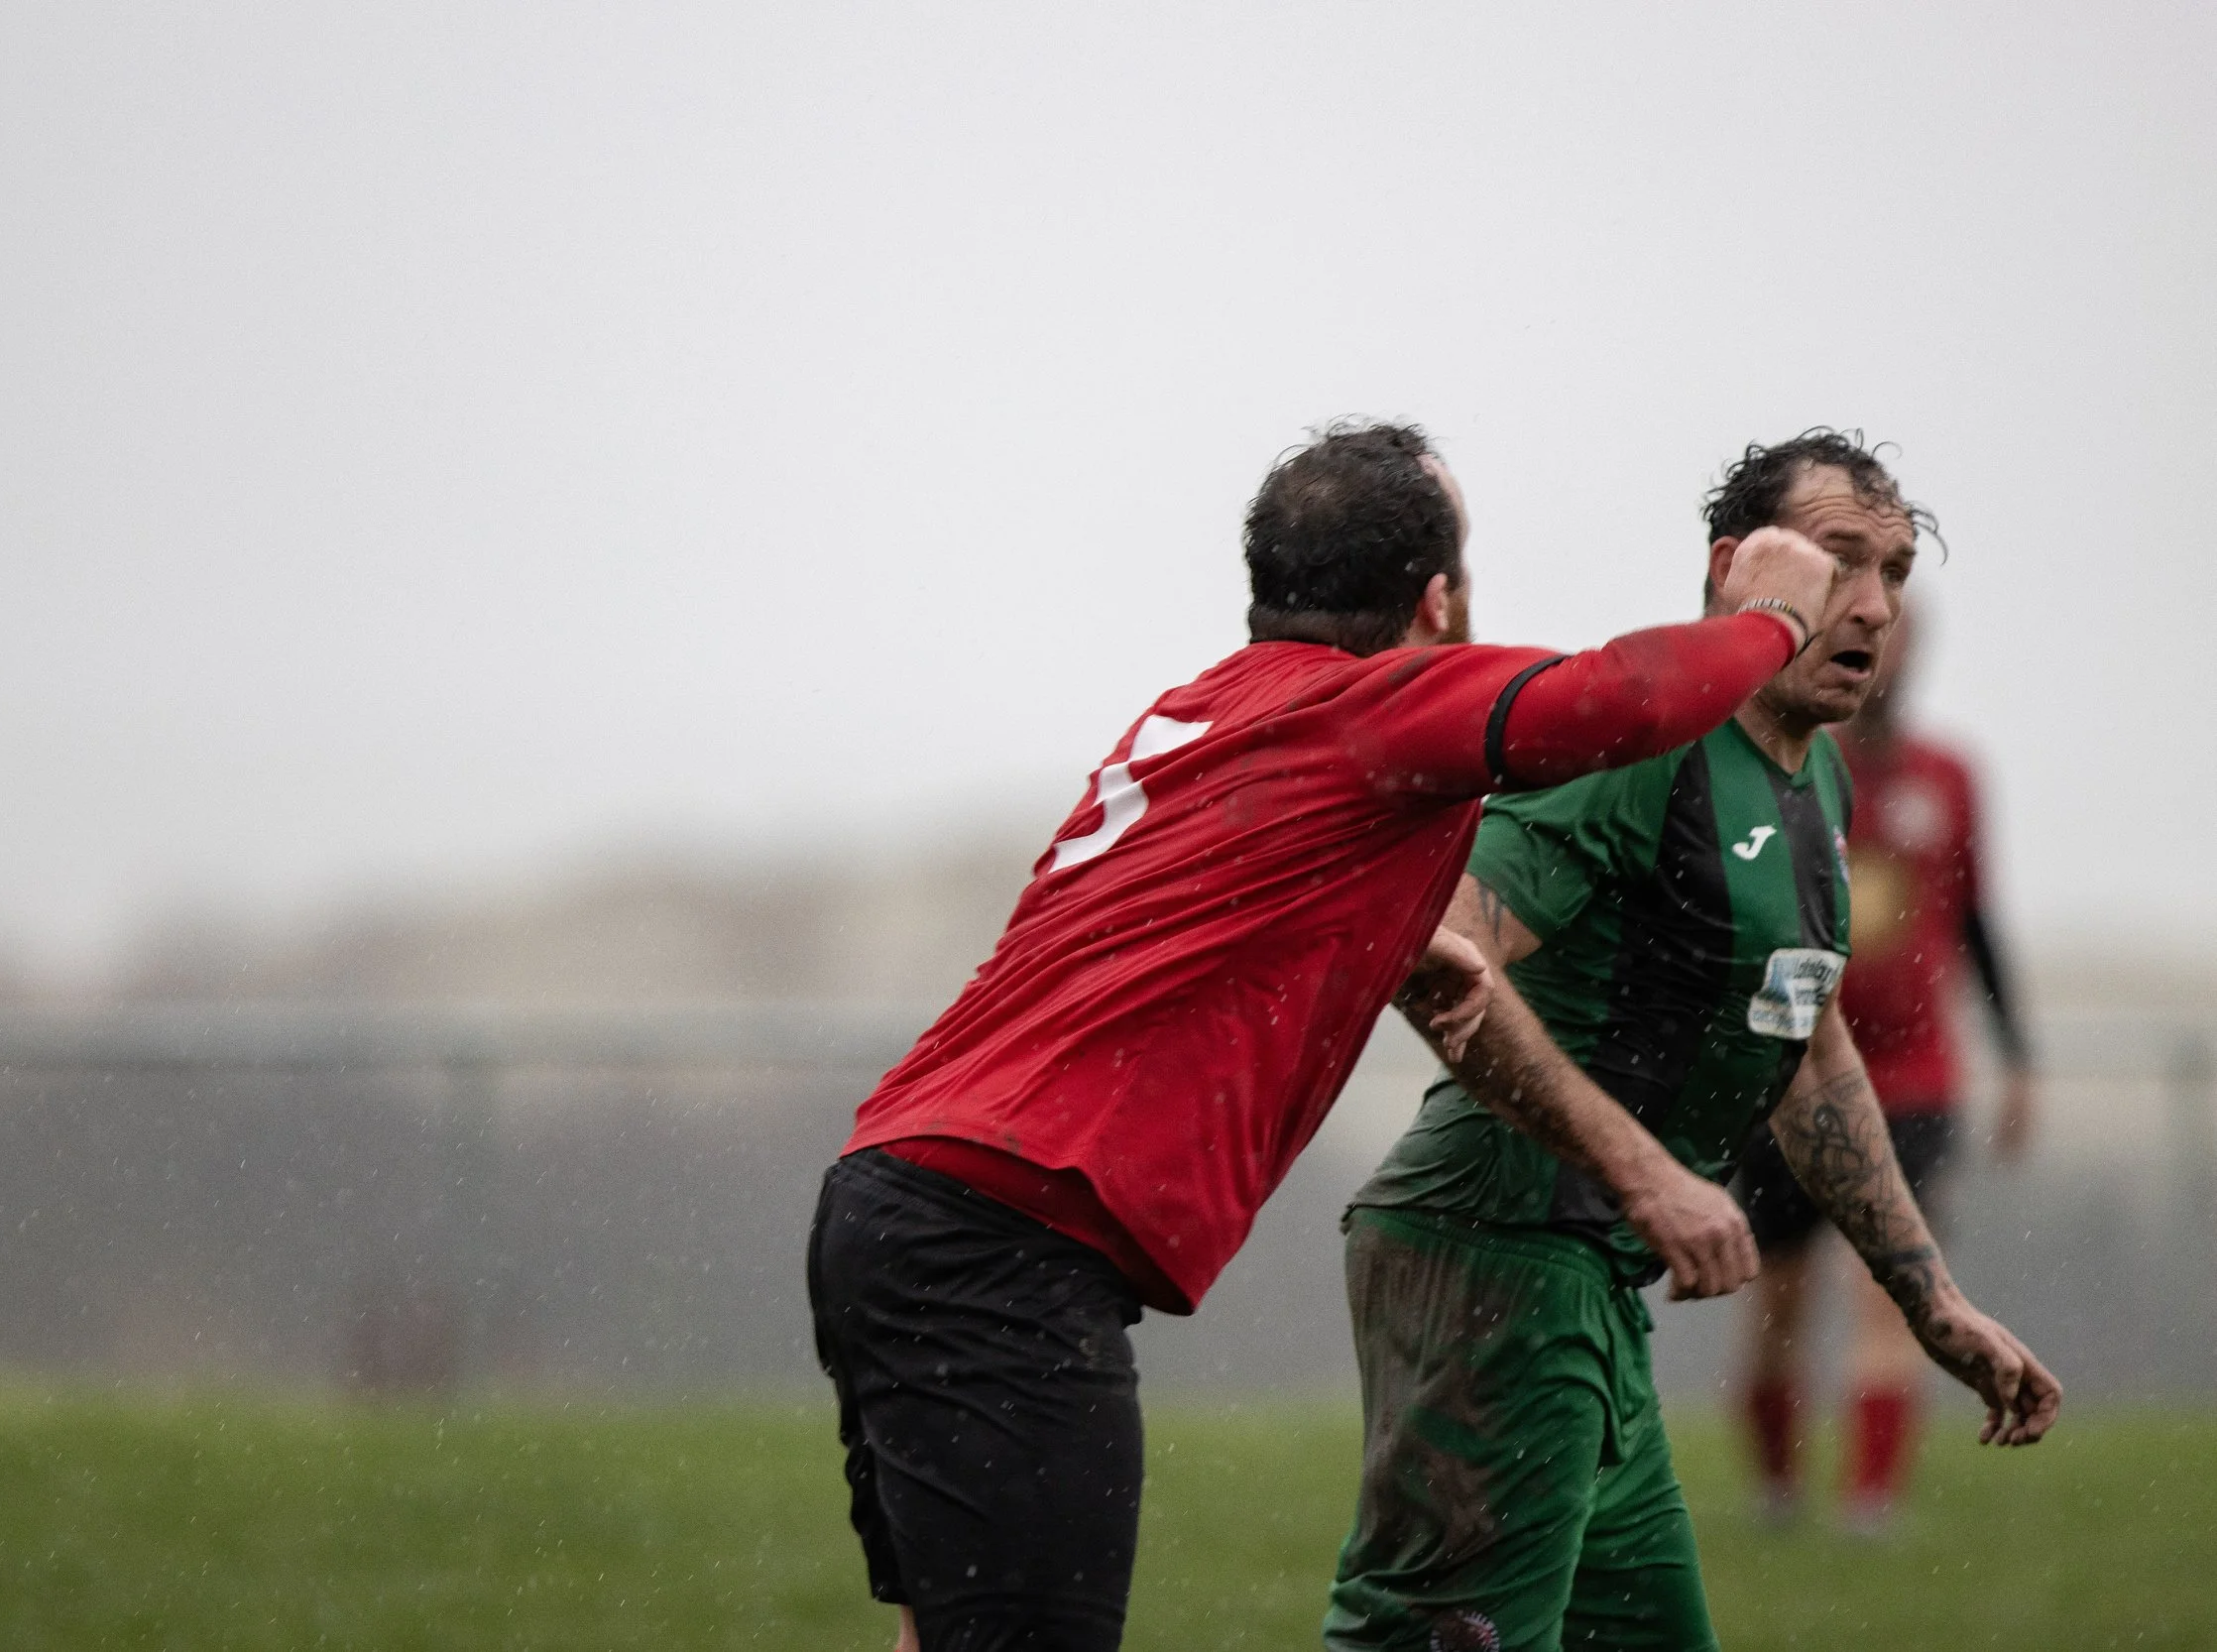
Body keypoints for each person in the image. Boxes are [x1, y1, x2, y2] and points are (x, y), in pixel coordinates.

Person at [808, 419, 1837, 1652]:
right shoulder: (1372, 709)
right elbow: (1621, 699)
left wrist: (1390, 939)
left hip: (893, 1195)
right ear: (1437, 597)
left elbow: (1179, 914)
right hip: (1004, 1238)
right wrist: (1773, 611)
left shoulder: (1200, 709)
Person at [1329, 430, 2060, 1652]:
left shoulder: (1812, 782)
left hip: (1590, 1286)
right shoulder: (1633, 740)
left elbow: (1812, 1052)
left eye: (1893, 570)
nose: (1871, 604)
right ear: (1736, 571)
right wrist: (1646, 1169)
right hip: (1491, 1253)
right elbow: (1436, 952)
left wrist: (1929, 1297)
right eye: (1836, 560)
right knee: (1430, 1641)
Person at [1732, 599, 2037, 1532]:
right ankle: (1780, 1492)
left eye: (1903, 628)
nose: (1885, 647)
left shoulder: (1947, 777)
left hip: (1915, 1077)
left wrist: (2017, 1057)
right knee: (1779, 1303)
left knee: (1892, 1282)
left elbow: (1978, 918)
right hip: (1787, 1067)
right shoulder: (1785, 765)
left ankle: (1870, 1505)